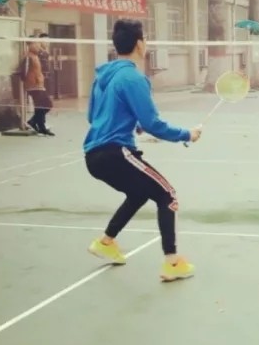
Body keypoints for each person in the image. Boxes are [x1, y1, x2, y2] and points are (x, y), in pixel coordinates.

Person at [84, 19, 200, 283]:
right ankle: (172, 262)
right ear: (139, 44)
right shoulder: (134, 78)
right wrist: (187, 135)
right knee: (167, 195)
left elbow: (93, 117)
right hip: (116, 153)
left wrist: (131, 124)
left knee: (138, 194)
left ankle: (106, 242)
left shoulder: (101, 77)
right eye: (145, 39)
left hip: (93, 157)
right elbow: (153, 124)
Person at [21, 40, 54, 135]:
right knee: (44, 105)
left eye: (38, 45)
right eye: (36, 45)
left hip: (39, 84)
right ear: (30, 45)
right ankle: (40, 126)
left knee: (44, 105)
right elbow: (23, 71)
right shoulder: (28, 57)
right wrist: (30, 80)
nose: (38, 47)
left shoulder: (35, 56)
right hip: (33, 85)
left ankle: (34, 122)